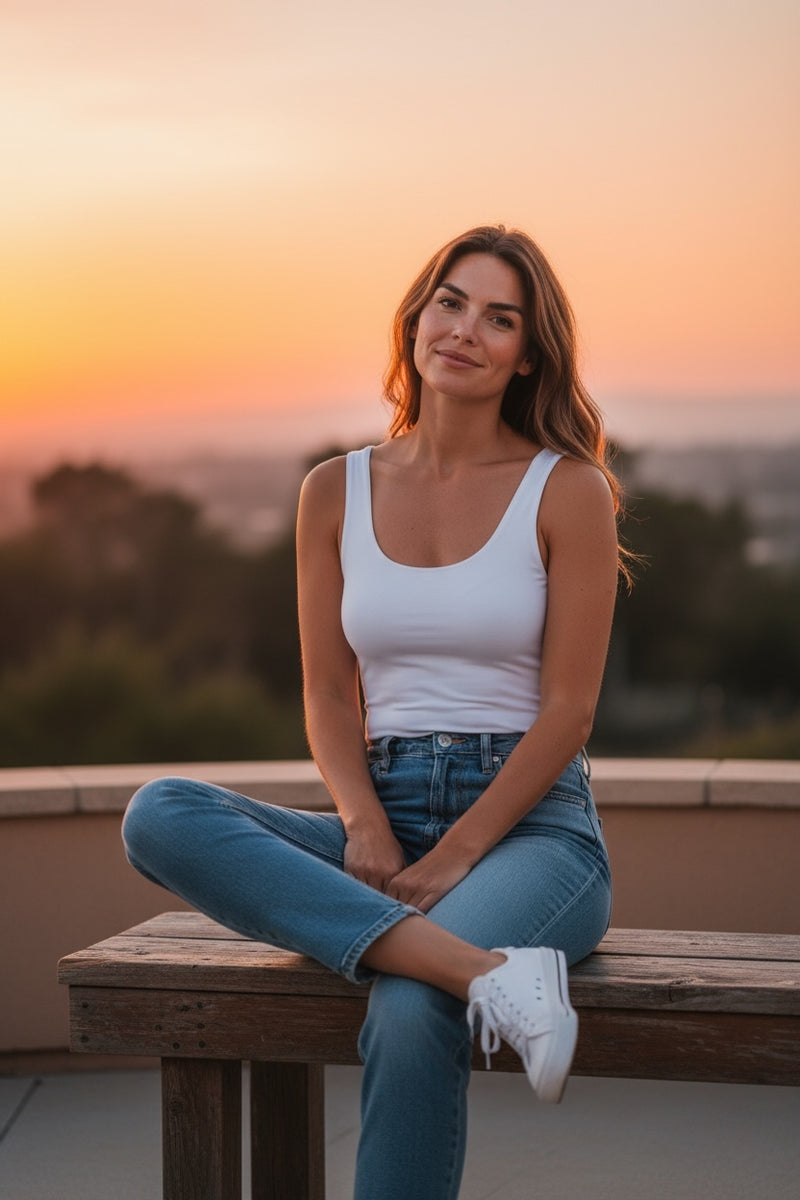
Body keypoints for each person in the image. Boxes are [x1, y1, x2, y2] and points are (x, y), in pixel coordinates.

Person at [122, 224, 623, 1200]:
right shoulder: (334, 490)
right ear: (415, 318)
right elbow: (324, 693)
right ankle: (488, 978)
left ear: (527, 355)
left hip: (530, 831)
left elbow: (568, 712)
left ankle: (446, 969)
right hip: (382, 809)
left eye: (499, 319)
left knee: (405, 1004)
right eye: (450, 302)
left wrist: (454, 854)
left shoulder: (567, 491)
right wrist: (363, 824)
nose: (464, 330)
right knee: (161, 813)